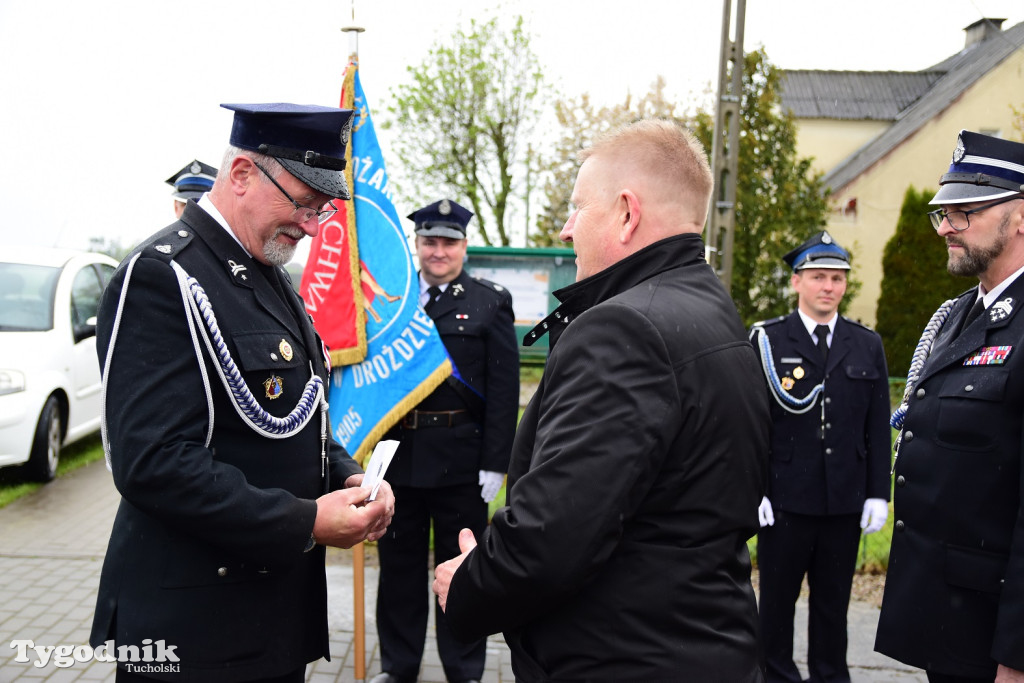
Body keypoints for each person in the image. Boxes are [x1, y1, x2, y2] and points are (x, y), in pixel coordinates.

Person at [430, 119, 771, 681]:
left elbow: (556, 535)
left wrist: (470, 584)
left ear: (626, 212)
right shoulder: (711, 308)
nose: (566, 230)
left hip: (622, 656)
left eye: (578, 207)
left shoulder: (622, 328)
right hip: (697, 642)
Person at [90, 103, 395, 683]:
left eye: (321, 209)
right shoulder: (164, 274)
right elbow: (152, 462)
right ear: (241, 176)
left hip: (268, 618)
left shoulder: (268, 272)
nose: (311, 225)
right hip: (194, 625)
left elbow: (294, 417)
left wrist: (348, 478)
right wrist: (306, 522)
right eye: (303, 203)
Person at [875, 130, 1024, 683]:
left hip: (998, 630)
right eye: (942, 212)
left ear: (1021, 217)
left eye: (966, 212)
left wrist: (1017, 655)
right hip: (950, 619)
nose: (944, 227)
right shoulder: (957, 315)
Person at [370, 198, 519, 683]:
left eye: (448, 242)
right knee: (399, 574)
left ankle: (465, 669)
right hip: (398, 459)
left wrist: (497, 461)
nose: (438, 251)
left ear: (464, 246)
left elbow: (503, 390)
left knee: (462, 571)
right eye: (429, 242)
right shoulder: (388, 302)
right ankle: (398, 668)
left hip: (462, 460)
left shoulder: (489, 300)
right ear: (416, 244)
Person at [749, 231, 891, 683]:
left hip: (843, 502)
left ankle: (830, 676)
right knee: (776, 602)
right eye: (817, 277)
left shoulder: (865, 343)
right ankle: (776, 675)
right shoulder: (768, 341)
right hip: (786, 501)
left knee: (833, 604)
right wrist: (756, 489)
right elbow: (751, 424)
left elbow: (876, 424)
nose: (828, 286)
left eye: (836, 278)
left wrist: (877, 494)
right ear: (796, 282)